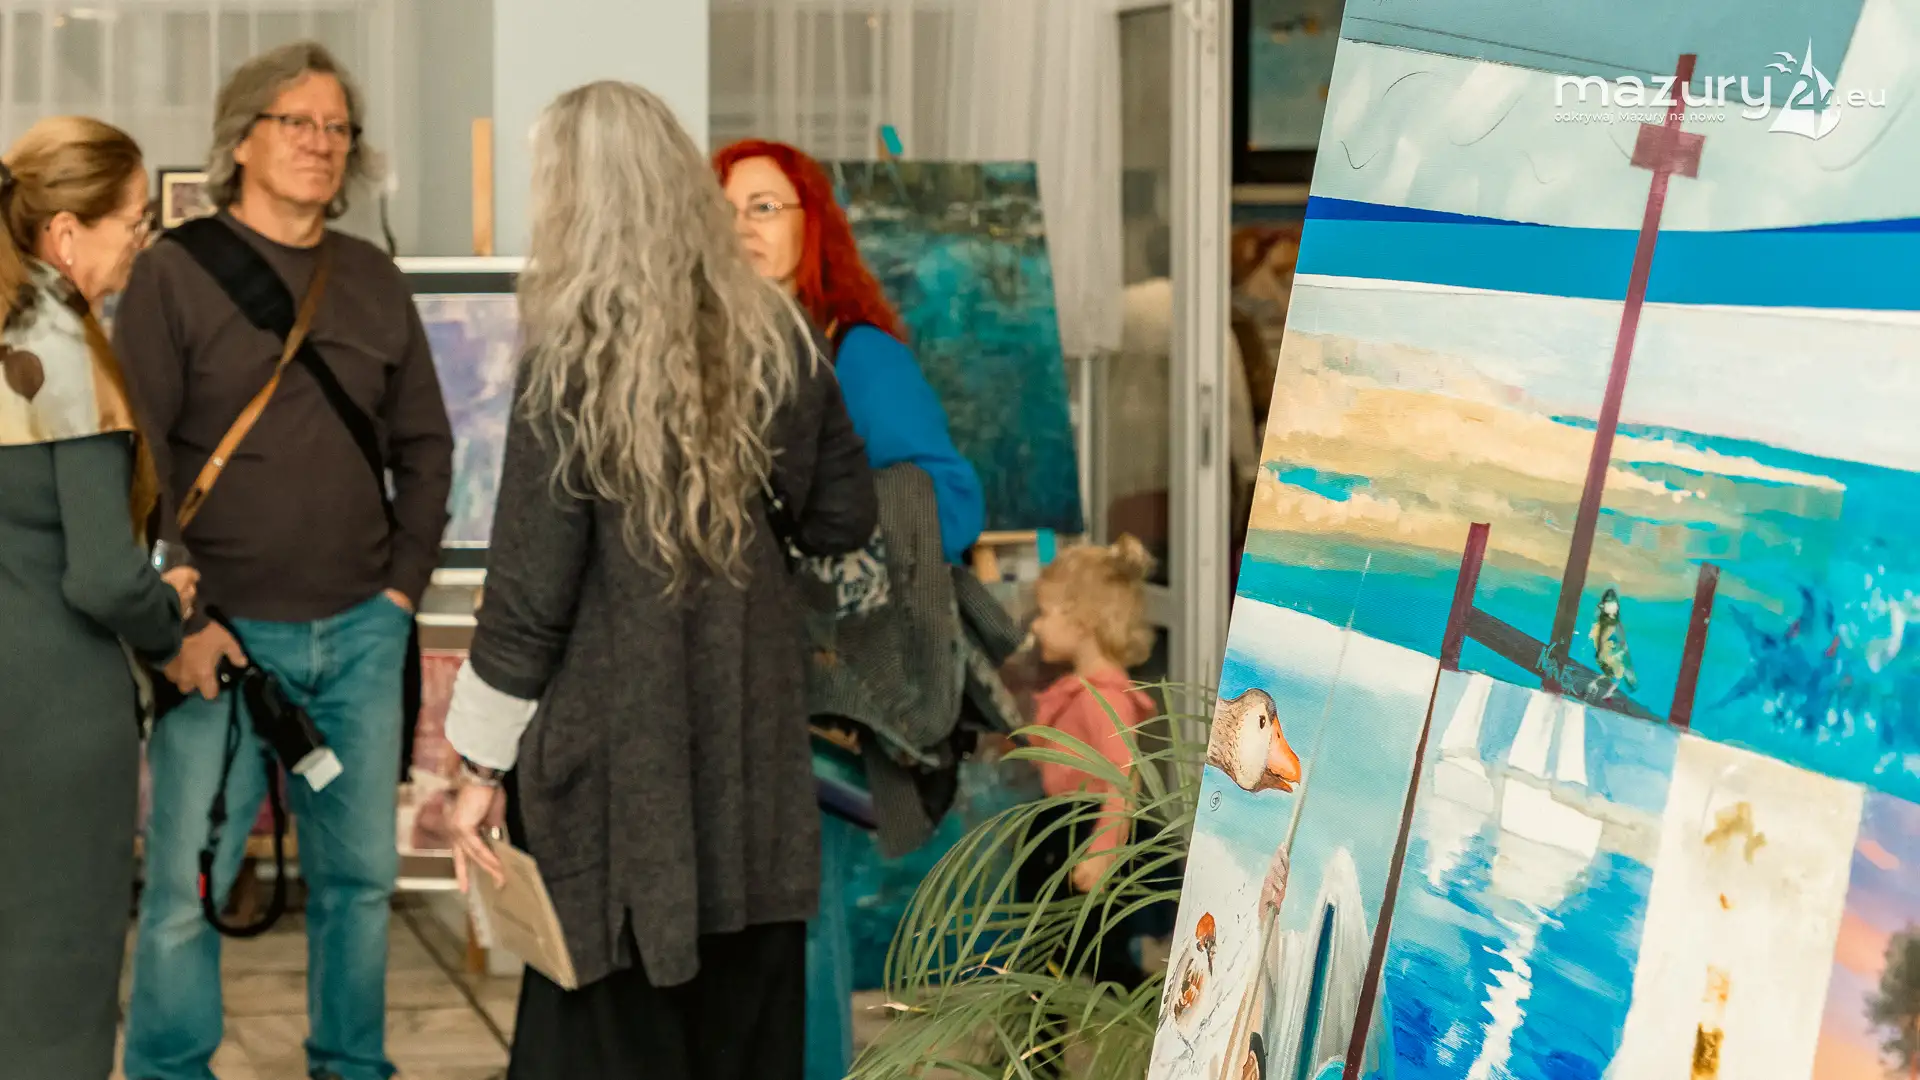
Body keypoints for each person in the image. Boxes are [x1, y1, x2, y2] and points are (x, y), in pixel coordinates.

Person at [441, 82, 877, 1080]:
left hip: (616, 790)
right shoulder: (782, 340)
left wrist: (476, 773)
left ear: (574, 203)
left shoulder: (569, 367)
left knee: (604, 1043)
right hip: (751, 759)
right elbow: (842, 519)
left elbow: (528, 602)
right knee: (743, 1038)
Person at [117, 41, 453, 1080]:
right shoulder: (173, 272)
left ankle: (350, 1065)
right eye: (296, 122)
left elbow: (426, 447)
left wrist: (399, 592)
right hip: (216, 639)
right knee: (187, 886)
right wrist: (180, 618)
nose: (321, 142)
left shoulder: (372, 277)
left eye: (337, 127)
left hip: (361, 633)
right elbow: (138, 456)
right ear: (242, 139)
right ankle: (171, 1069)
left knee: (358, 884)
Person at [714, 137, 986, 1080]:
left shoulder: (853, 351)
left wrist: (823, 532)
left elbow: (951, 503)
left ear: (813, 225)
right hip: (722, 680)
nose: (743, 228)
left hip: (819, 686)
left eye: (765, 207)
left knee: (801, 918)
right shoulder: (709, 351)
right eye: (727, 210)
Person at [0, 115, 197, 1080]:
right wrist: (172, 618)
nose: (139, 246)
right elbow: (104, 575)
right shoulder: (60, 348)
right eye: (134, 222)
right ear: (67, 232)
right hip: (53, 720)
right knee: (54, 990)